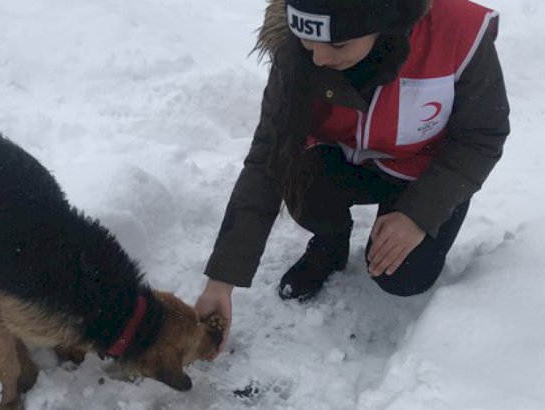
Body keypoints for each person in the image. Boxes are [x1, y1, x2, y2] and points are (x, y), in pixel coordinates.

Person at [195, 0, 510, 358]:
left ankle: (411, 216)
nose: (318, 59)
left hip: (426, 172)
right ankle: (331, 244)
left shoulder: (458, 32)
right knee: (300, 182)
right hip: (345, 161)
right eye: (308, 40)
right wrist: (222, 281)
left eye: (338, 45)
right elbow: (269, 157)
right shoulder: (298, 50)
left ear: (384, 21)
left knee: (405, 276)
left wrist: (420, 213)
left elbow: (482, 136)